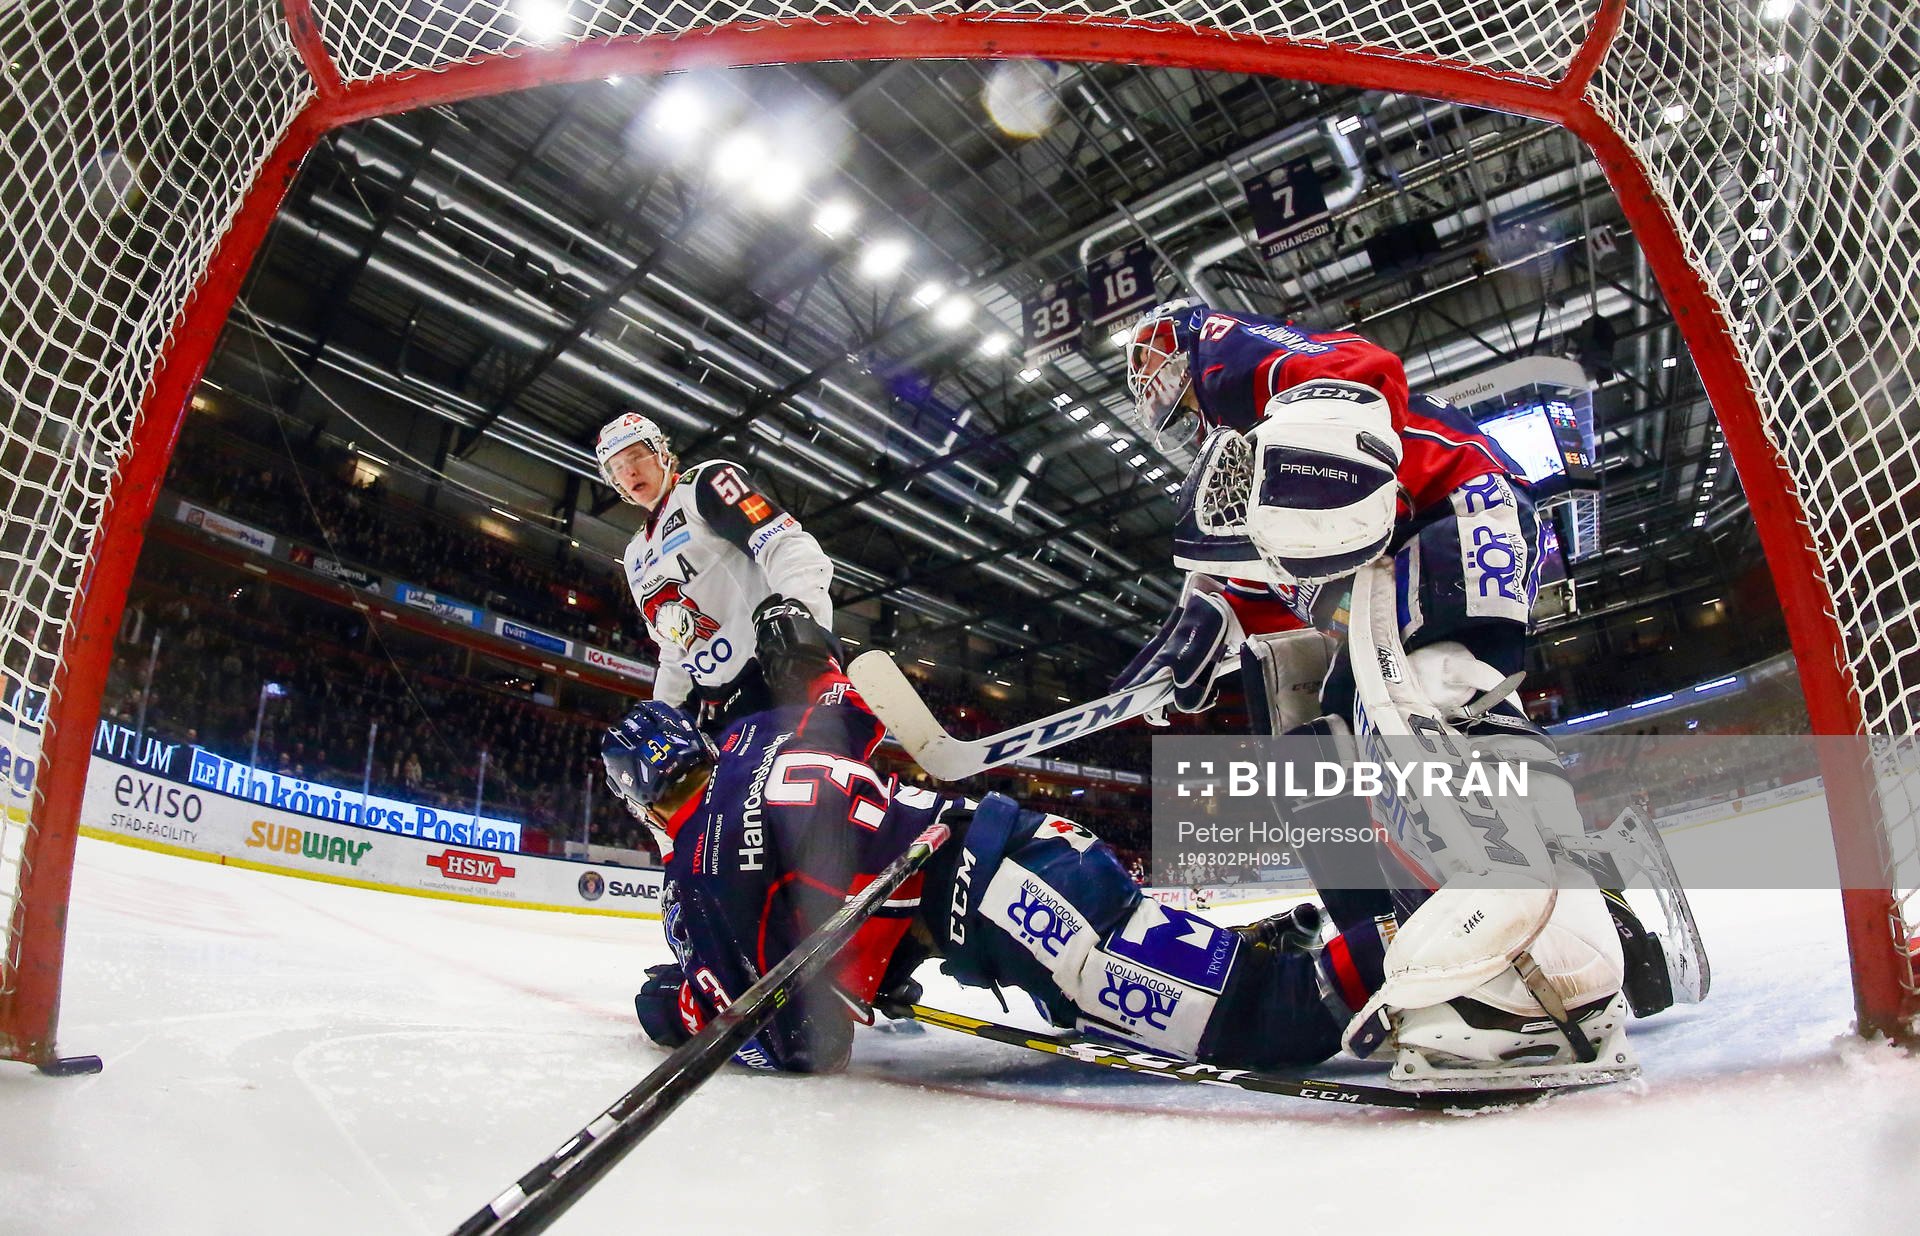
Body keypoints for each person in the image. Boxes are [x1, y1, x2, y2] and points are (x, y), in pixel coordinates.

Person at [600, 601, 1618, 1081]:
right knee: (1210, 968)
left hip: (1015, 911)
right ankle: (1409, 923)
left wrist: (676, 1003)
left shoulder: (696, 876)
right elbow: (864, 713)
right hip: (1027, 846)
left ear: (644, 803)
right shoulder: (766, 732)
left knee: (1271, 1024)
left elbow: (794, 1040)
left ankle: (1489, 950)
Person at [1111, 300, 1633, 1077]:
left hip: (1457, 496)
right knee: (1340, 738)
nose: (1172, 402)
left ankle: (1549, 954)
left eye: (1167, 380)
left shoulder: (1226, 357)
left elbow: (1355, 371)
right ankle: (1460, 933)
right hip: (1410, 539)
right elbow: (1276, 584)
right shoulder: (1251, 461)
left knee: (1439, 689)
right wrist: (1213, 609)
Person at [596, 412, 835, 735]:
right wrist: (662, 717)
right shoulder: (635, 555)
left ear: (662, 451)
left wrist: (803, 621)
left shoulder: (704, 484)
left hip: (780, 673)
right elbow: (673, 649)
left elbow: (785, 543)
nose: (630, 471)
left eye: (636, 455)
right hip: (720, 711)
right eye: (617, 468)